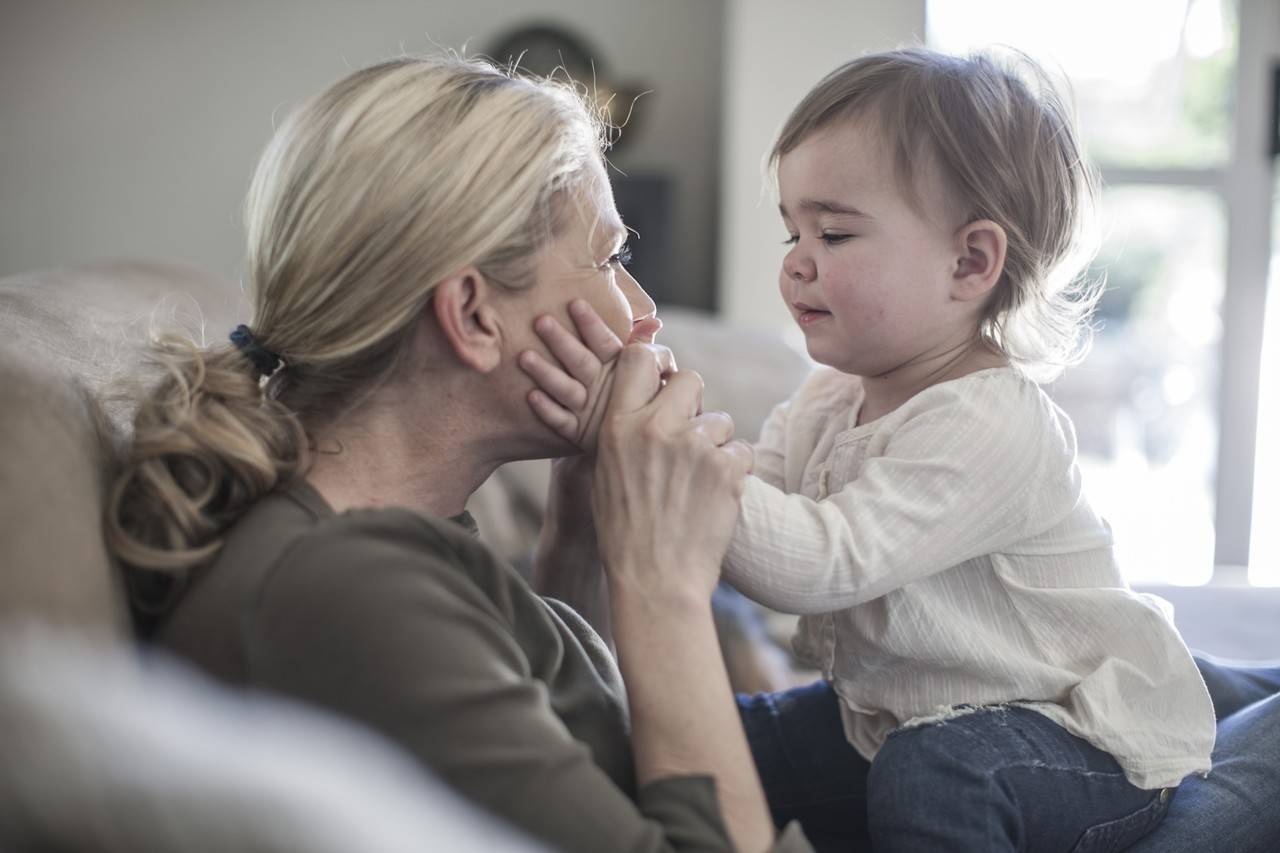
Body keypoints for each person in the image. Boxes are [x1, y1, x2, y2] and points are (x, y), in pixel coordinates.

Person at [516, 47, 1234, 852]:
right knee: (745, 742)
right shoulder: (831, 396)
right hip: (899, 715)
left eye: (834, 231)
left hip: (1069, 736)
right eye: (793, 229)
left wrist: (665, 444)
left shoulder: (992, 422)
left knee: (938, 773)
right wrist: (649, 444)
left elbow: (816, 565)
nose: (796, 260)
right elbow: (747, 513)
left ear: (970, 262)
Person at [105, 56, 810, 853]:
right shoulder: (347, 586)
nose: (646, 315)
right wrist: (665, 584)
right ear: (473, 314)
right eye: (612, 260)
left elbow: (577, 747)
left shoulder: (384, 541)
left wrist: (583, 534)